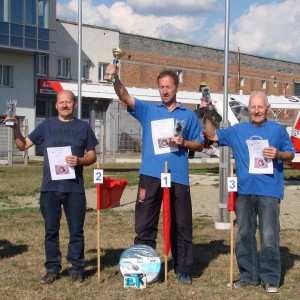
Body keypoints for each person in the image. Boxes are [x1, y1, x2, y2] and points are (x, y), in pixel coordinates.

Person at [105, 65, 204, 284]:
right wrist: (114, 78)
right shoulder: (149, 110)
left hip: (177, 177)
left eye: (168, 86)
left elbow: (200, 143)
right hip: (150, 175)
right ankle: (144, 269)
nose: (165, 91)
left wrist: (185, 142)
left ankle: (183, 269)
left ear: (176, 88)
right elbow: (125, 95)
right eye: (161, 87)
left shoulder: (187, 115)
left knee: (181, 224)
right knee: (145, 224)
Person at [201, 90, 295, 293]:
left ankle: (270, 278)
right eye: (253, 107)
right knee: (244, 234)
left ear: (267, 109)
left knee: (269, 235)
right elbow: (212, 135)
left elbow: (291, 154)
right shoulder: (238, 130)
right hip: (243, 191)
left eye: (260, 107)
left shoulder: (277, 130)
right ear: (248, 109)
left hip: (269, 191)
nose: (256, 110)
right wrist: (208, 114)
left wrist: (278, 154)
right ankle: (248, 276)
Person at [3, 90, 98, 284]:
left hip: (74, 188)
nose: (65, 105)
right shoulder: (46, 125)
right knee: (51, 231)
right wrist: (15, 128)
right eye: (61, 102)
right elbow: (22, 146)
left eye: (68, 102)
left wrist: (80, 160)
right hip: (50, 188)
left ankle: (77, 269)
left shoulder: (84, 127)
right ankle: (52, 268)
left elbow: (92, 156)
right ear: (56, 105)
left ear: (74, 105)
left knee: (76, 231)